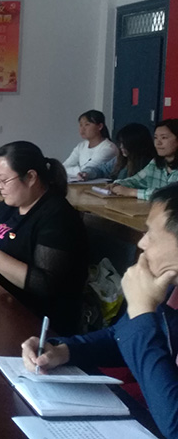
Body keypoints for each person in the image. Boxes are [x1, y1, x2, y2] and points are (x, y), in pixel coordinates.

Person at [21, 183, 178, 439]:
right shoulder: (169, 286)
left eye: (151, 233)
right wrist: (65, 350)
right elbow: (120, 337)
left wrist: (142, 313)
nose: (142, 242)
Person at [0, 141, 89, 335]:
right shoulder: (8, 206)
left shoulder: (57, 217)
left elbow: (45, 284)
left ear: (31, 177)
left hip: (35, 322)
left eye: (4, 180)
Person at [110, 119, 178, 200]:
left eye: (164, 137)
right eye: (155, 138)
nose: (158, 143)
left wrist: (131, 192)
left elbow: (170, 195)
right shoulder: (155, 163)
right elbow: (137, 180)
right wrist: (117, 184)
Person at [84, 122, 156, 181]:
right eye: (120, 143)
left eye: (125, 143)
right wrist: (87, 173)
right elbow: (102, 169)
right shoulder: (120, 159)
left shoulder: (150, 164)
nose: (121, 147)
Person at [63, 110, 118, 179]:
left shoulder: (109, 148)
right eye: (81, 125)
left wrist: (75, 170)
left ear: (100, 126)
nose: (82, 129)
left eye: (87, 124)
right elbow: (64, 167)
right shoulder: (81, 146)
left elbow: (88, 170)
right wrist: (78, 171)